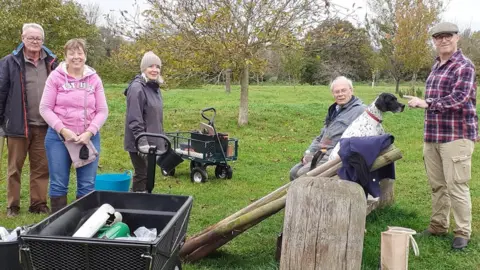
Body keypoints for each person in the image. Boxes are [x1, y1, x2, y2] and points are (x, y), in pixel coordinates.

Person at [406, 22, 477, 250]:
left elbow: (459, 98)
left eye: (448, 36)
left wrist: (427, 103)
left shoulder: (464, 66)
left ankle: (462, 232)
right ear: (434, 41)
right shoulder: (437, 66)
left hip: (457, 136)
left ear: (457, 38)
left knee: (456, 185)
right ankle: (438, 226)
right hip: (433, 135)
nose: (443, 40)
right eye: (438, 37)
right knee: (437, 185)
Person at [39, 38, 108, 213]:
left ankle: (83, 224)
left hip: (87, 138)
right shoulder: (55, 77)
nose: (76, 57)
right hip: (59, 138)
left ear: (85, 55)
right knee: (59, 183)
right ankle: (58, 225)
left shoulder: (94, 79)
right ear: (65, 56)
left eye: (80, 53)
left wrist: (89, 132)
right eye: (72, 53)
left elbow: (102, 111)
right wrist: (62, 129)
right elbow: (45, 108)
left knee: (86, 185)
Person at [0, 23, 58, 217]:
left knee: (41, 167)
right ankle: (12, 206)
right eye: (31, 37)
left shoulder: (51, 62)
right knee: (14, 168)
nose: (35, 41)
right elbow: (1, 92)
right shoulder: (9, 62)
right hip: (17, 125)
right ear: (22, 38)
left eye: (38, 38)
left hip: (44, 126)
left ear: (43, 40)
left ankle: (38, 204)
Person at [289, 76, 365, 181]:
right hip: (322, 151)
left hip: (336, 157)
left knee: (302, 175)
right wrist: (309, 153)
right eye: (336, 92)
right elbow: (321, 136)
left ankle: (312, 196)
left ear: (351, 91)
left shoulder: (360, 111)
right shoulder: (335, 110)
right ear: (333, 94)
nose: (340, 94)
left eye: (343, 90)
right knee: (293, 172)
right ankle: (298, 197)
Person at [124, 51, 164, 192]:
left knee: (148, 176)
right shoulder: (137, 88)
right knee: (142, 175)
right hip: (140, 141)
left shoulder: (153, 86)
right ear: (143, 68)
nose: (155, 70)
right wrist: (142, 143)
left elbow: (155, 117)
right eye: (150, 66)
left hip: (152, 140)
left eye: (157, 67)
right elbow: (135, 118)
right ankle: (137, 203)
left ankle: (145, 201)